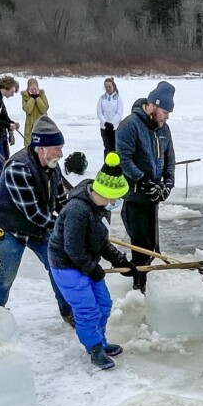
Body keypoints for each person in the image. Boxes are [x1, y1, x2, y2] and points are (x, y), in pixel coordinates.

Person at [48, 153, 134, 371]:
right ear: (106, 194)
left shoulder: (99, 209)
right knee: (87, 310)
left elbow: (101, 242)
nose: (116, 203)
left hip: (84, 262)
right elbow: (72, 248)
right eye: (115, 198)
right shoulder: (78, 210)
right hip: (66, 265)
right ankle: (93, 348)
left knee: (104, 304)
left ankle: (101, 340)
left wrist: (120, 261)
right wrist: (92, 268)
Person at [0, 115, 73, 325]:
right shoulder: (19, 167)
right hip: (11, 228)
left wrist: (72, 217)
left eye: (61, 148)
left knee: (57, 269)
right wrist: (64, 225)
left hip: (38, 228)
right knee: (7, 274)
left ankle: (68, 312)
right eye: (56, 148)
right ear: (41, 148)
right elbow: (33, 213)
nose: (60, 154)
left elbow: (61, 198)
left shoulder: (53, 166)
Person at [115, 81, 176, 291]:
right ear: (153, 106)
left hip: (153, 196)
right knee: (140, 246)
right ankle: (138, 286)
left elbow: (170, 159)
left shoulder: (163, 129)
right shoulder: (130, 125)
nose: (167, 116)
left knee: (152, 246)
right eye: (165, 111)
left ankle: (150, 285)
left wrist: (168, 184)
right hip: (135, 195)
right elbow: (123, 159)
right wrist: (143, 180)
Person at [97, 78, 124, 156]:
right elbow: (99, 112)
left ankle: (115, 166)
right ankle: (107, 165)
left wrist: (112, 123)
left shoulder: (118, 98)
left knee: (115, 147)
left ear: (113, 87)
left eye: (110, 87)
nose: (108, 89)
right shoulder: (101, 98)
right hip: (104, 127)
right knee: (107, 147)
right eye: (106, 87)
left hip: (115, 128)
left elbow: (119, 113)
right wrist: (105, 122)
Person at [21, 78, 49, 144]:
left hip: (41, 125)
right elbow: (28, 110)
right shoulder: (25, 97)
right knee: (31, 145)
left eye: (35, 89)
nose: (34, 91)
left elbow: (44, 109)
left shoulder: (42, 95)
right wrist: (32, 98)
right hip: (30, 126)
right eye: (31, 89)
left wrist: (37, 98)